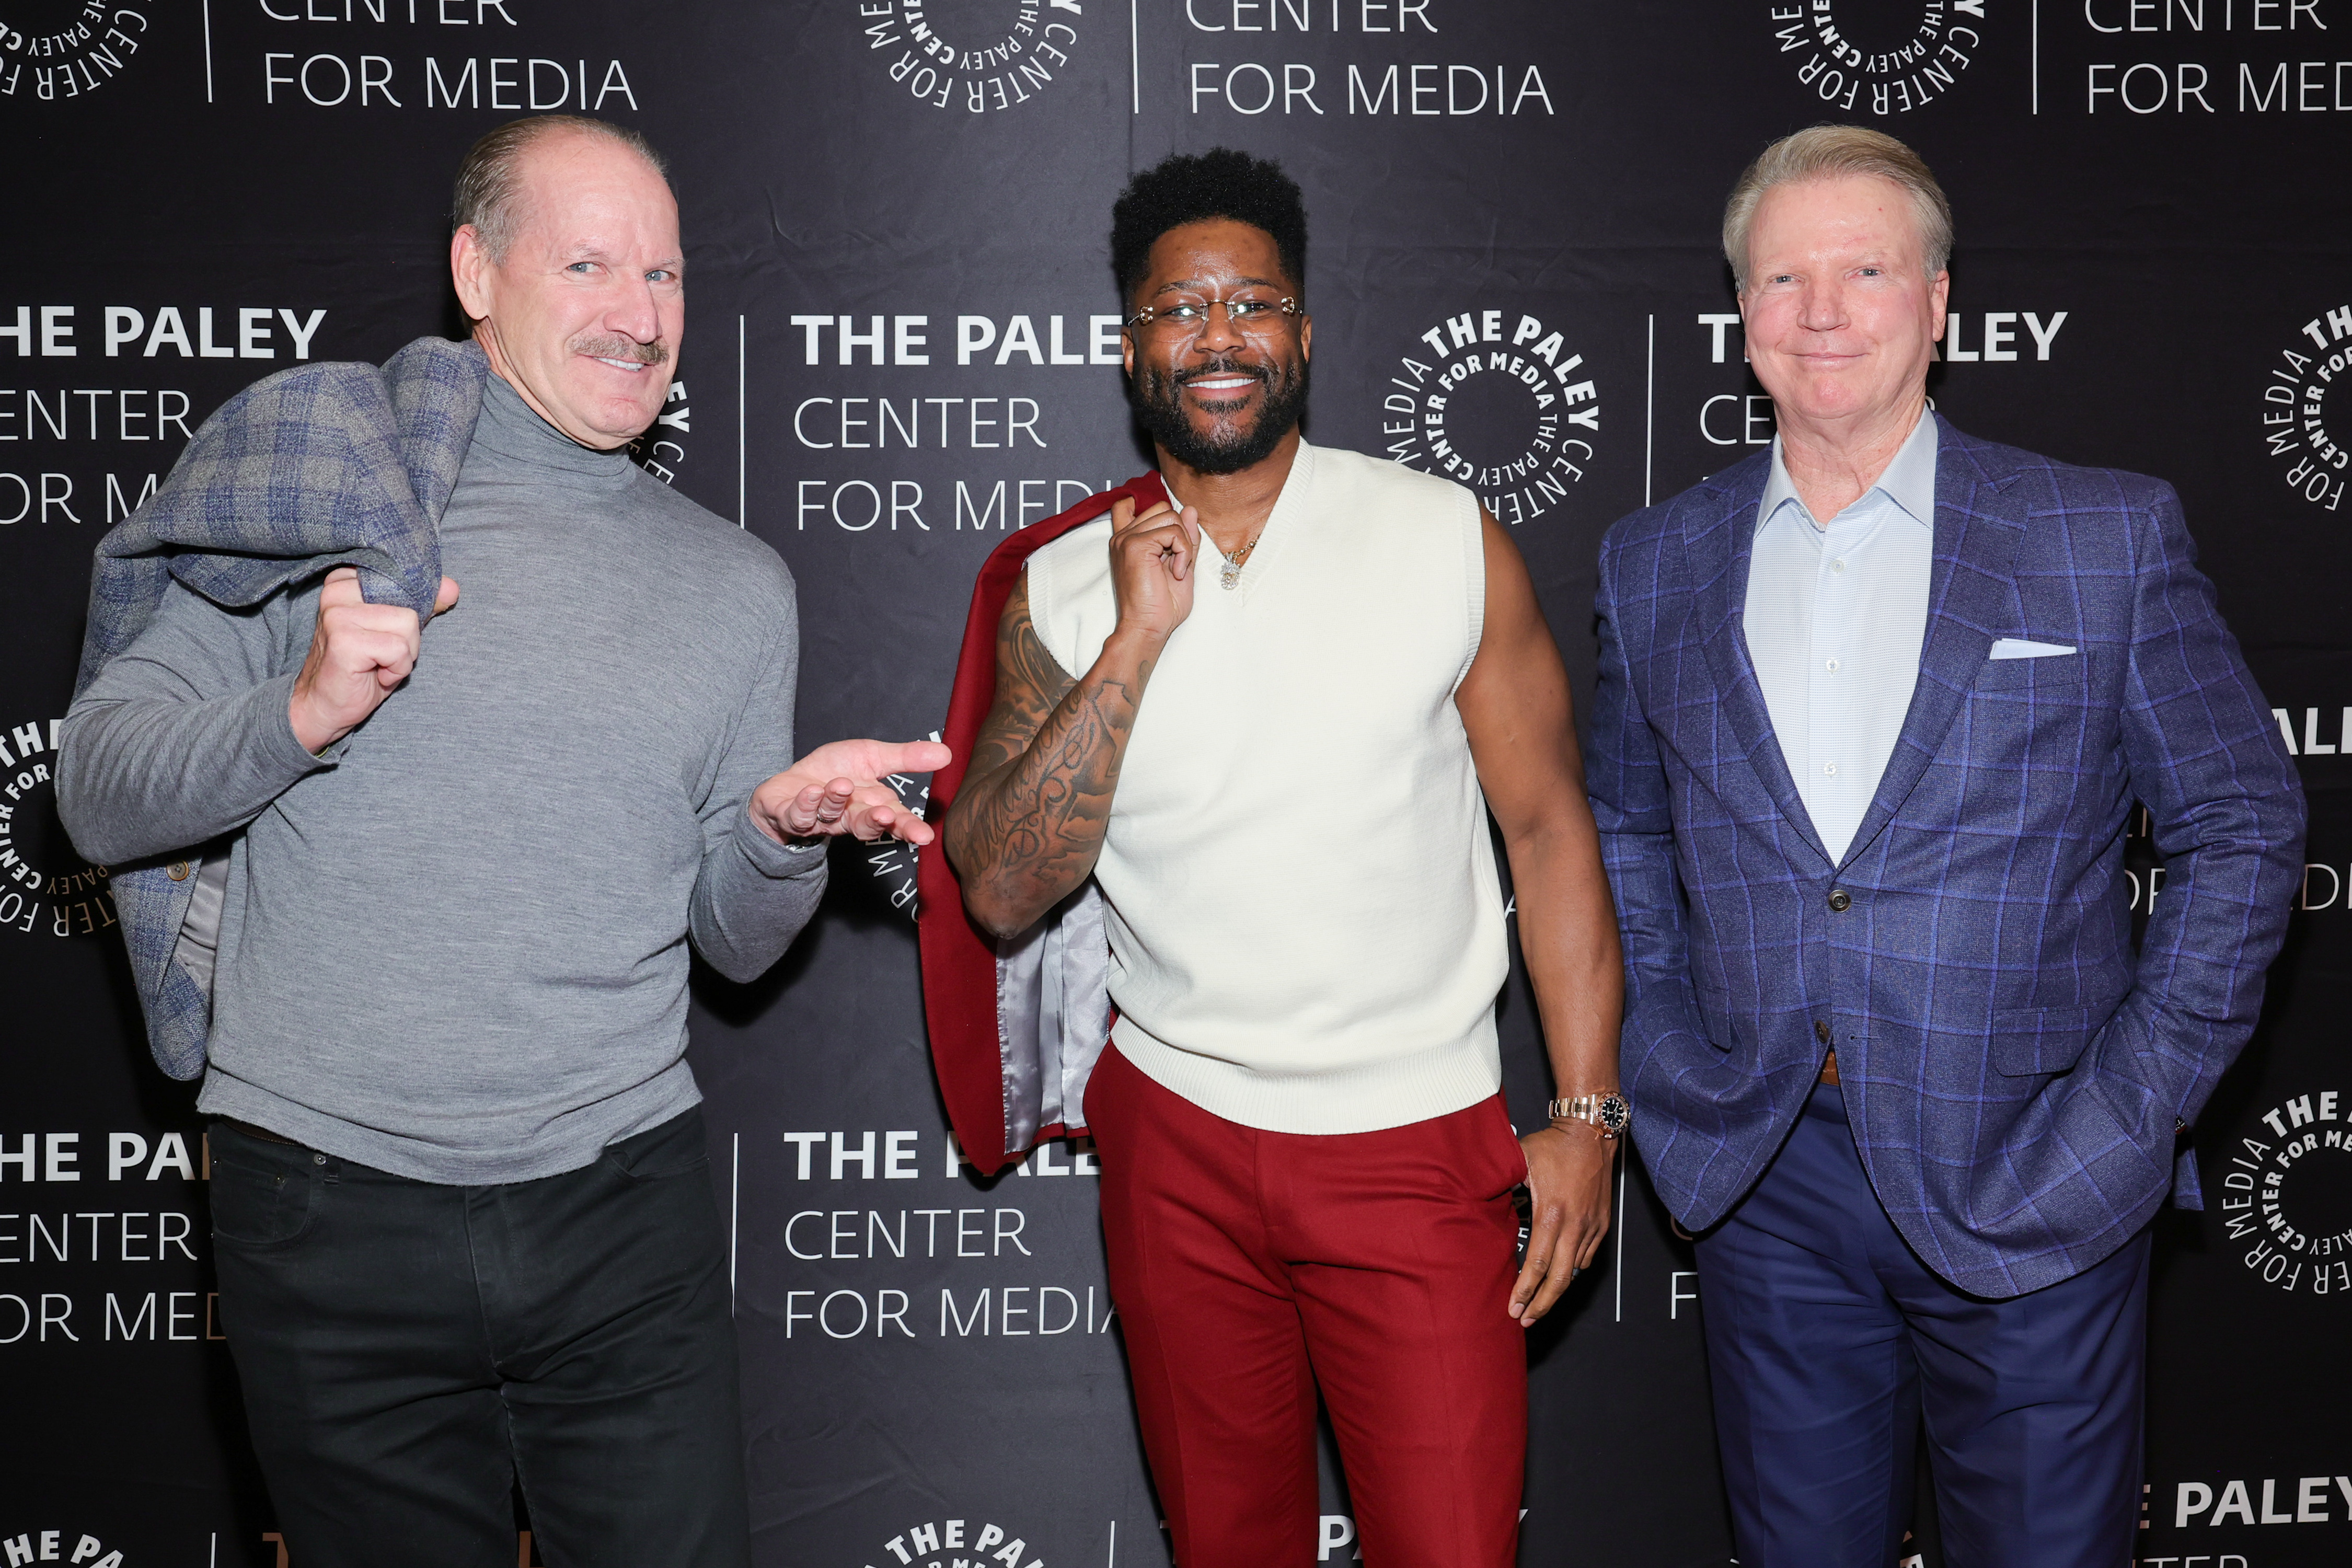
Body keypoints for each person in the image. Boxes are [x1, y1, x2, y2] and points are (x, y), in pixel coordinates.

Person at [59, 114, 944, 1568]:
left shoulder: (736, 585)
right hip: (328, 1211)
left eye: (662, 274)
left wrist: (781, 835)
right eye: (588, 262)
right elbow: (93, 792)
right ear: (477, 271)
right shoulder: (319, 492)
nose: (638, 314)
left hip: (622, 1213)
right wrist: (298, 708)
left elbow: (730, 942)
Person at [1589, 125, 2305, 1567]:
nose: (1823, 309)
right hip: (1764, 1175)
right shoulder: (1652, 561)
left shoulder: (2097, 534)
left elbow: (2241, 823)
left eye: (1864, 268)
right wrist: (1665, 1056)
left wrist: (2130, 1111)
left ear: (1938, 304)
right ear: (1741, 320)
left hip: (2034, 1170)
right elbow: (1623, 828)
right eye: (1782, 277)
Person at [920, 148, 1624, 1568]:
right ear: (1132, 349)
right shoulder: (1061, 586)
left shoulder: (1439, 536)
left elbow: (1547, 828)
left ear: (1302, 332)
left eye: (1254, 302)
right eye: (1183, 308)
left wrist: (1589, 1114)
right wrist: (1135, 633)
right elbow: (997, 886)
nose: (1219, 335)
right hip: (1175, 1139)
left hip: (1414, 1147)